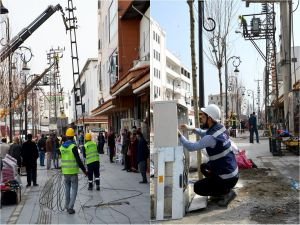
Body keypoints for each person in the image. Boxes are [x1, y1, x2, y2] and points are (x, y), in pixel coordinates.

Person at [178, 104, 239, 206]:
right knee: (204, 167)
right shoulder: (220, 128)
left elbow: (191, 147)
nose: (201, 117)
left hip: (227, 177)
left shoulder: (210, 138)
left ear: (209, 118)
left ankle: (226, 192)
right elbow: (204, 133)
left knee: (197, 187)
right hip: (233, 173)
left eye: (203, 115)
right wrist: (191, 129)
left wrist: (179, 135)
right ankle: (221, 189)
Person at [59, 128, 87, 214]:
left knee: (67, 189)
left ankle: (67, 205)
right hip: (73, 172)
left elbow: (60, 155)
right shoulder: (73, 147)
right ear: (73, 136)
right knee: (74, 189)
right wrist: (84, 171)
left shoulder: (61, 147)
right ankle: (70, 207)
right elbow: (78, 160)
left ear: (67, 136)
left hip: (65, 172)